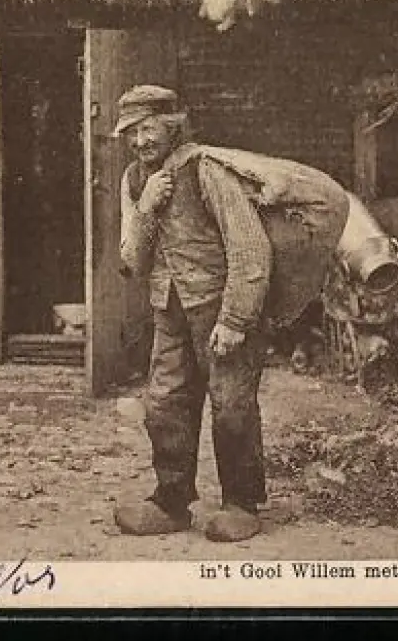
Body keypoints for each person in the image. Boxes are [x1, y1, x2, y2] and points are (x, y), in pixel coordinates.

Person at [113, 84, 349, 542]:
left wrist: (236, 320)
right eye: (131, 133)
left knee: (231, 405)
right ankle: (170, 501)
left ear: (172, 127)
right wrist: (145, 208)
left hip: (223, 310)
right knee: (163, 403)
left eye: (148, 129)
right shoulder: (136, 180)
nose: (140, 142)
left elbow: (251, 249)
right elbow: (132, 261)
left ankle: (241, 503)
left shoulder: (207, 171)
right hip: (171, 311)